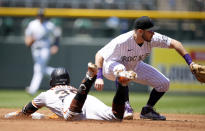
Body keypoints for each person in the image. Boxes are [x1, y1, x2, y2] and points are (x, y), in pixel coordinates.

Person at [94, 16, 195, 120]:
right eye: (150, 31)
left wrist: (190, 63)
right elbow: (99, 55)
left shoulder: (153, 38)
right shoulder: (122, 41)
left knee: (164, 83)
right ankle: (125, 106)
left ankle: (147, 110)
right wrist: (99, 77)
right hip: (111, 66)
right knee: (121, 69)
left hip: (135, 65)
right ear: (140, 31)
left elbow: (176, 44)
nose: (153, 33)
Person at [5, 62, 135, 121]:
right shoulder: (71, 88)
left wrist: (16, 115)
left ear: (52, 81)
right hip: (87, 99)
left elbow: (26, 111)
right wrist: (45, 117)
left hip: (73, 102)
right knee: (116, 116)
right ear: (67, 80)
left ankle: (89, 78)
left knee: (71, 115)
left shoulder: (45, 94)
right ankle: (122, 85)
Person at [24, 8, 61, 95]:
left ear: (44, 16)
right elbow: (28, 37)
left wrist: (56, 45)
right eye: (39, 15)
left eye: (42, 15)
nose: (40, 17)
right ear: (37, 16)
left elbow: (57, 34)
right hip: (35, 49)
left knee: (38, 68)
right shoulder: (32, 24)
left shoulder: (49, 25)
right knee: (41, 69)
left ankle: (32, 90)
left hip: (45, 49)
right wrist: (28, 42)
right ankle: (58, 74)